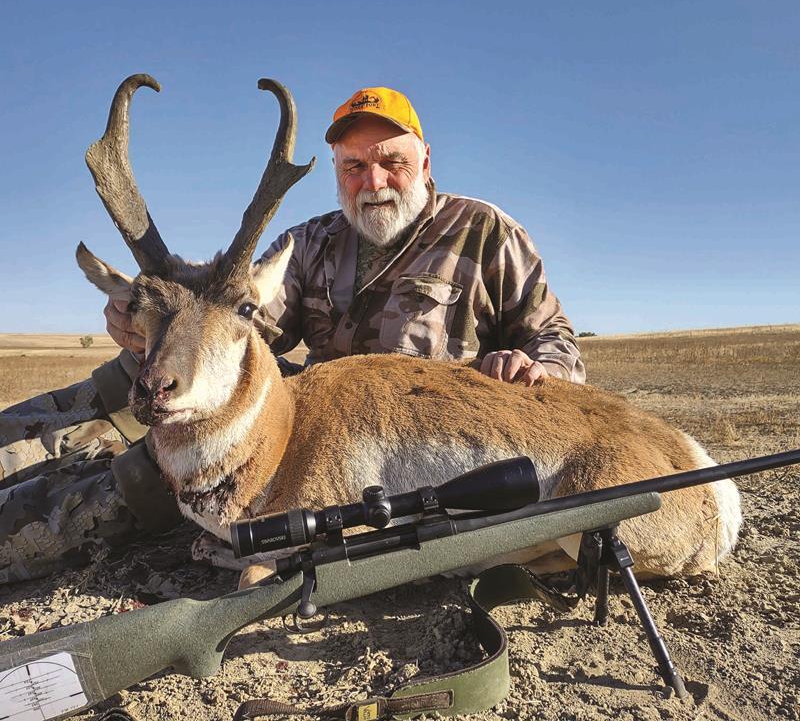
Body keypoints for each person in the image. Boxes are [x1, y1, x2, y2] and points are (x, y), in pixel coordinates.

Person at [0, 86, 585, 584]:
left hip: (380, 437)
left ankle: (23, 529)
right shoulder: (310, 243)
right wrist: (156, 316)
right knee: (138, 372)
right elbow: (247, 323)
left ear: (426, 161)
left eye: (392, 162)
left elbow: (555, 336)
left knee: (143, 475)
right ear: (337, 172)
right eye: (353, 167)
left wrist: (538, 368)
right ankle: (16, 439)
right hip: (308, 410)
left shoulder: (483, 231)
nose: (373, 181)